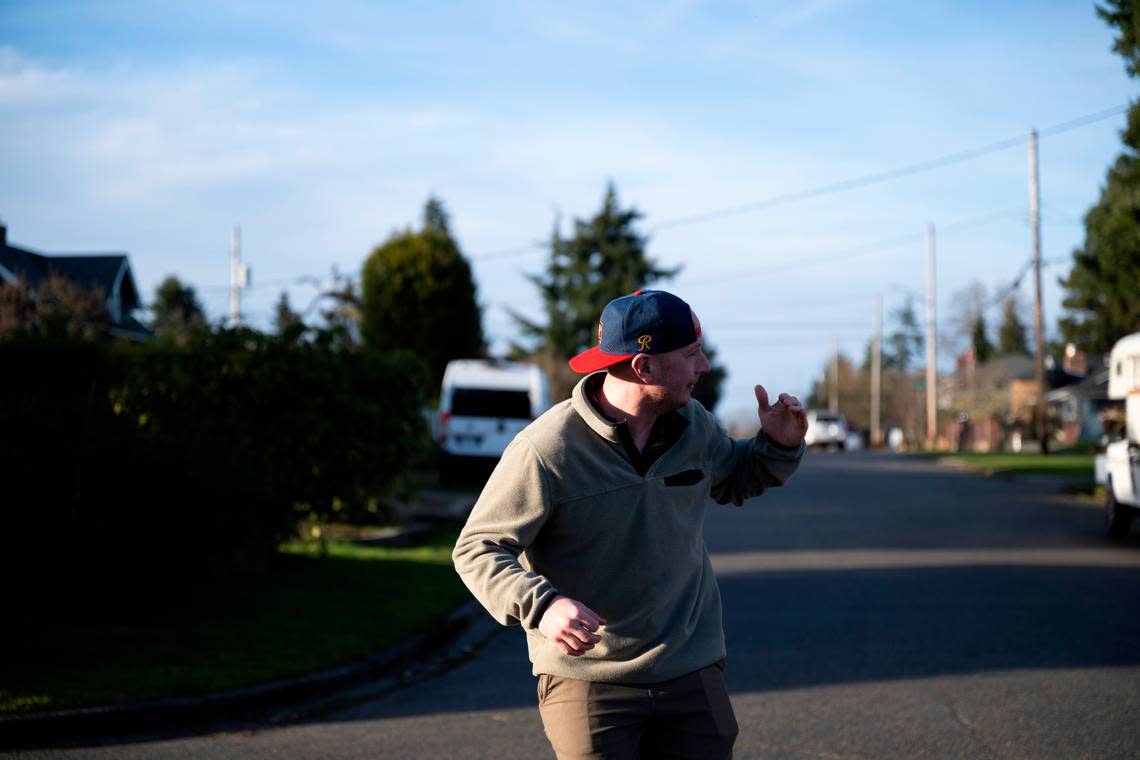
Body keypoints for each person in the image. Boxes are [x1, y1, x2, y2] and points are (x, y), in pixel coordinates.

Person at [452, 289, 807, 759]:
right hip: (589, 680)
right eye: (691, 354)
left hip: (691, 669)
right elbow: (477, 548)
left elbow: (733, 479)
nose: (704, 366)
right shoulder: (546, 449)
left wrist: (777, 446)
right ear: (644, 368)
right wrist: (543, 606)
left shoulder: (694, 425)